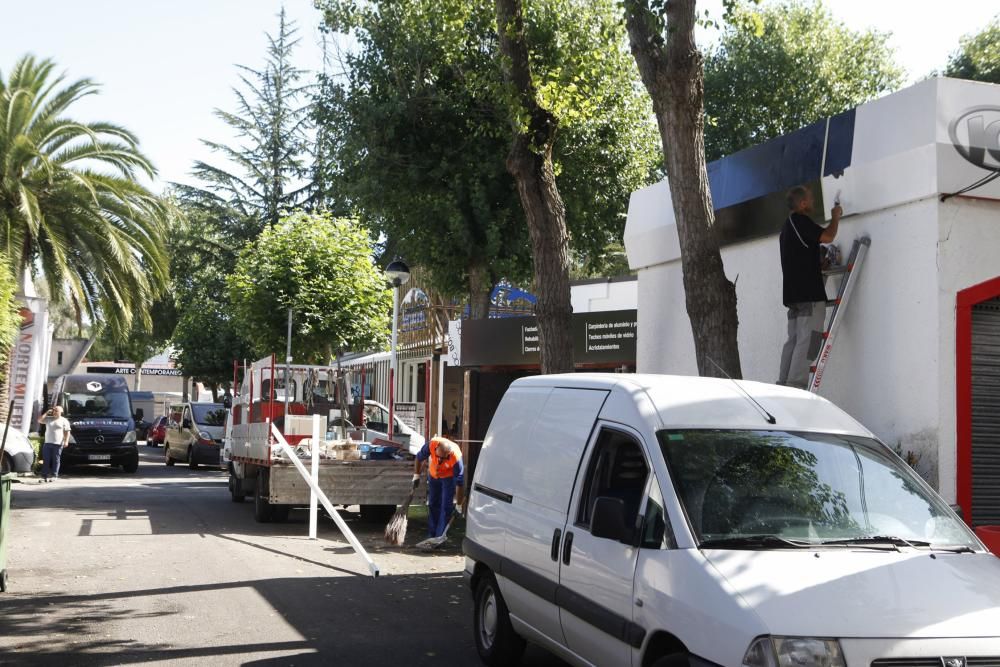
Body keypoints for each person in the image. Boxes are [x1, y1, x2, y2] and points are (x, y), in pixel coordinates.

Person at [778, 185, 842, 389]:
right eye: (811, 199)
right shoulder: (800, 220)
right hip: (809, 295)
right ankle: (795, 385)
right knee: (809, 340)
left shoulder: (787, 228)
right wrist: (836, 217)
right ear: (802, 203)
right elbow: (828, 237)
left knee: (794, 340)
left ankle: (783, 383)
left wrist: (819, 263)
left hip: (794, 296)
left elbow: (800, 257)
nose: (813, 202)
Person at [412, 436, 465, 538]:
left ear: (448, 455)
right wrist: (416, 475)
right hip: (433, 476)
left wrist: (458, 504)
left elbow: (460, 483)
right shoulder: (431, 444)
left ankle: (439, 536)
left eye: (443, 458)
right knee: (433, 503)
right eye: (438, 456)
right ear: (436, 449)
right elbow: (418, 458)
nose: (440, 460)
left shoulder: (456, 458)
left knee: (446, 507)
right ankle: (431, 534)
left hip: (448, 479)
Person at [37, 405, 72, 482]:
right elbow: (39, 420)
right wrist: (46, 413)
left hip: (58, 443)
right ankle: (44, 476)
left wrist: (66, 441)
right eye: (54, 410)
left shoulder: (64, 420)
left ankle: (54, 475)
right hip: (47, 442)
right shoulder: (49, 419)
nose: (54, 412)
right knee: (46, 460)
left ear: (61, 412)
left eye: (56, 410)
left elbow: (67, 432)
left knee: (56, 460)